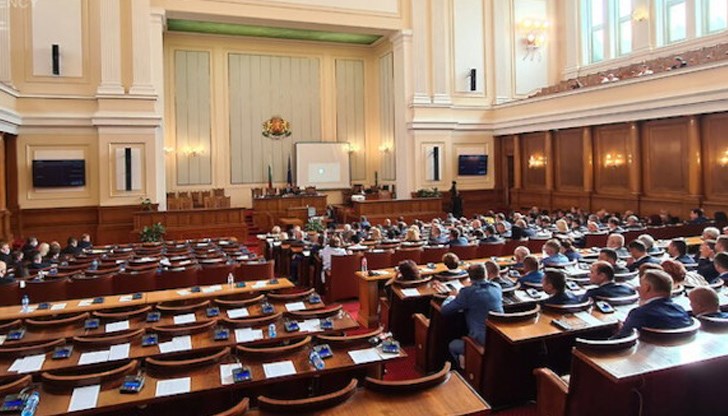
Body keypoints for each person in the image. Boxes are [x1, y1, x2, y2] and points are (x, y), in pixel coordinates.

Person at [439, 263, 503, 367]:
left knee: (453, 345)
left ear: (470, 277)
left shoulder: (467, 293)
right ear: (486, 274)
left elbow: (445, 310)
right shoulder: (496, 287)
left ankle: (467, 372)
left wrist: (451, 297)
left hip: (480, 342)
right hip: (499, 339)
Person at [613, 270, 692, 338]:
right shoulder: (681, 310)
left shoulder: (639, 314)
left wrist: (622, 329)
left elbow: (621, 339)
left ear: (647, 288)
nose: (638, 288)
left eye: (641, 285)